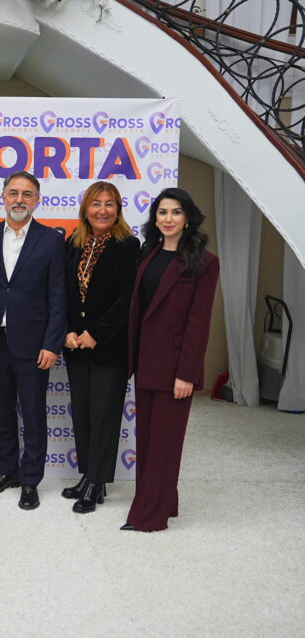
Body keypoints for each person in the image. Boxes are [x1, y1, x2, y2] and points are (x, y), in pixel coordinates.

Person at [122, 187, 219, 532]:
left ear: (188, 218)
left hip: (176, 366)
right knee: (149, 439)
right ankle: (166, 502)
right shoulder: (148, 253)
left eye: (176, 212)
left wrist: (187, 374)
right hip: (145, 360)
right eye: (162, 212)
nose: (168, 218)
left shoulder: (205, 262)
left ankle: (149, 517)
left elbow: (199, 322)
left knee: (165, 443)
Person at [0, 170, 65, 510]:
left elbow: (58, 297)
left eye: (27, 194)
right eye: (13, 193)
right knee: (1, 412)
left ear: (37, 200)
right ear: (3, 197)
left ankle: (30, 480)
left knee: (32, 414)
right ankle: (7, 472)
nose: (19, 199)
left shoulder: (51, 240)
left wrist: (52, 343)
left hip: (34, 344)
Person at [62, 182, 140, 513]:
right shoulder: (73, 243)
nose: (103, 210)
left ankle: (98, 482)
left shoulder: (128, 245)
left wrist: (96, 333)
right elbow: (63, 292)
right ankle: (87, 475)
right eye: (96, 204)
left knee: (103, 414)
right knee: (82, 413)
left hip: (109, 347)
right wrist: (66, 332)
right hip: (75, 346)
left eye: (109, 204)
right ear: (86, 210)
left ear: (118, 210)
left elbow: (127, 297)